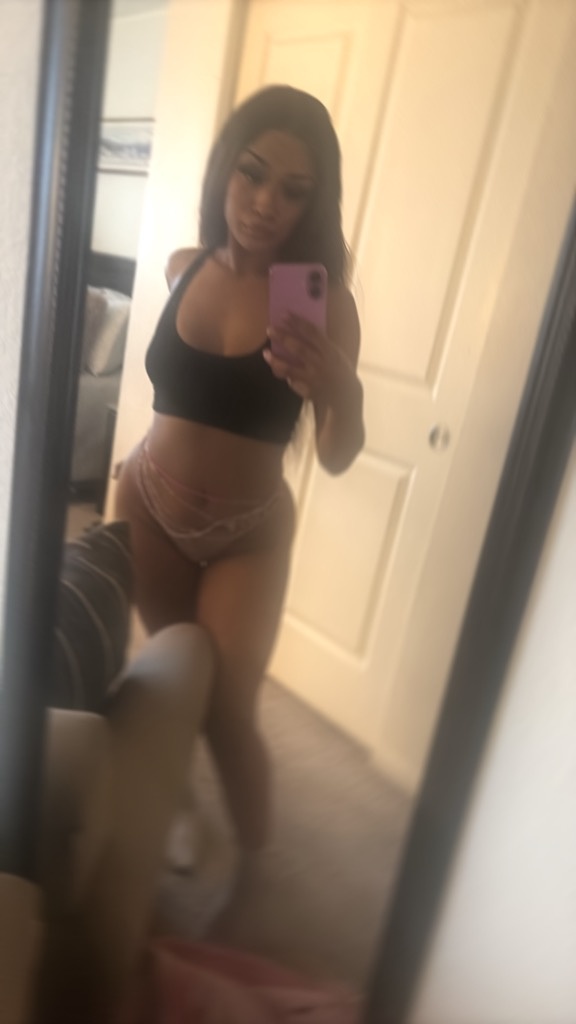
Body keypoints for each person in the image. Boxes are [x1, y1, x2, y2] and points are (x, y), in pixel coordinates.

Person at [115, 85, 365, 863]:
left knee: (228, 712)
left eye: (293, 191)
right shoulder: (182, 267)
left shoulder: (324, 305)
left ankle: (252, 875)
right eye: (251, 174)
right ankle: (183, 807)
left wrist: (342, 390)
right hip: (147, 502)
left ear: (313, 203)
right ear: (225, 166)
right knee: (169, 686)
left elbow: (336, 455)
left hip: (247, 534)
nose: (263, 204)